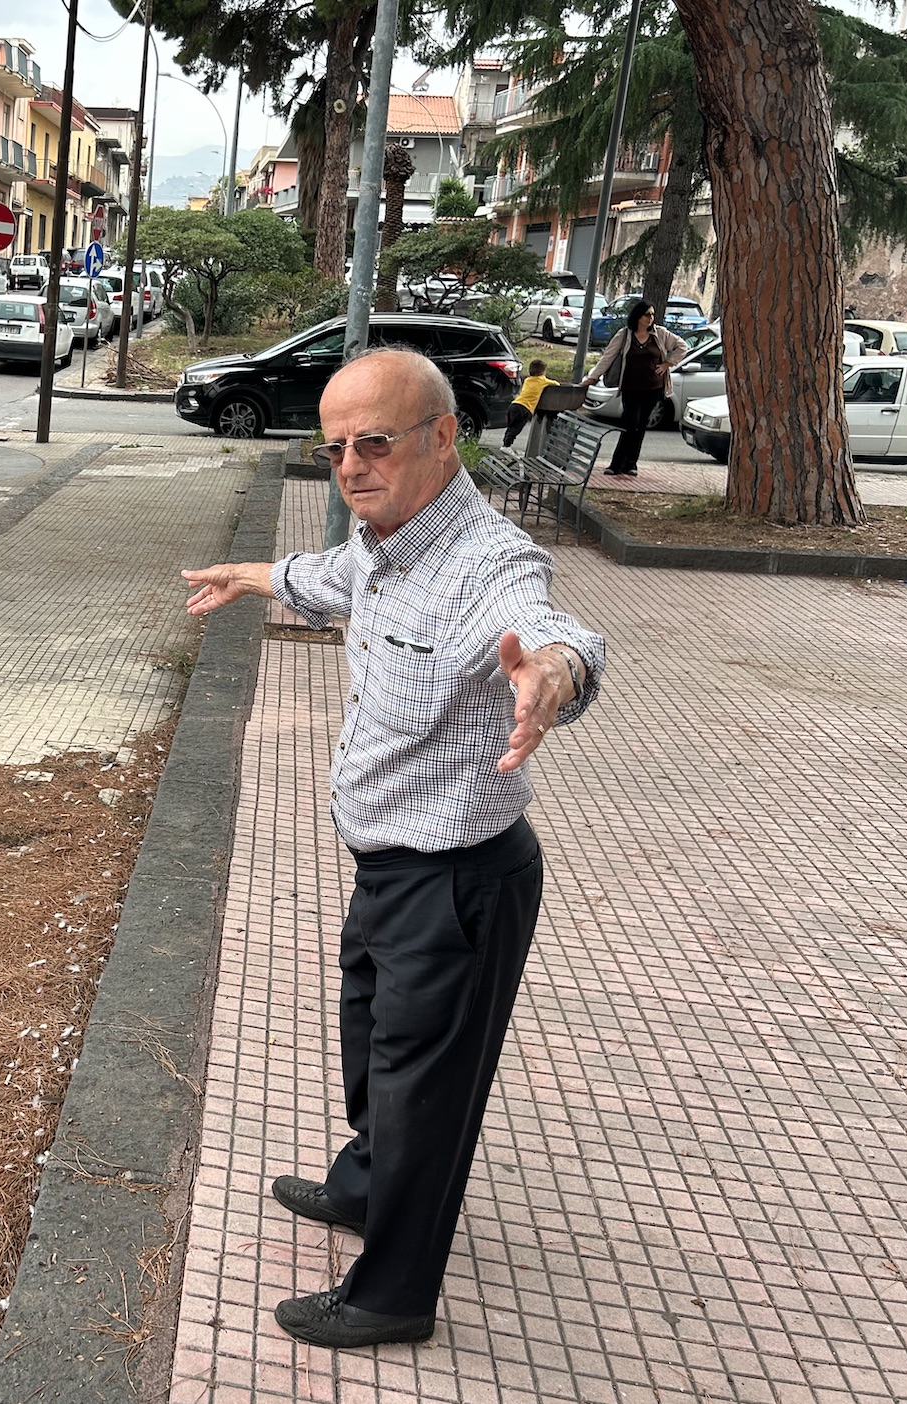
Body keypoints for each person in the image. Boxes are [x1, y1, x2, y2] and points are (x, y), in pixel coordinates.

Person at [180, 349, 605, 1351]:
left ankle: (392, 1295)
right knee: (374, 1049)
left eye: (375, 441)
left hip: (460, 884)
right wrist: (256, 574)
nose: (352, 465)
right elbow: (330, 580)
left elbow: (551, 626)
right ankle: (364, 1189)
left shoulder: (484, 561)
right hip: (391, 867)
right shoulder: (383, 540)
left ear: (443, 437)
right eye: (334, 448)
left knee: (423, 1093)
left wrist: (552, 674)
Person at [580, 299, 686, 476]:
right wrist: (593, 377)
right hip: (631, 388)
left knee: (640, 426)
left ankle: (631, 464)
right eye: (647, 315)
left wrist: (668, 363)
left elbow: (682, 346)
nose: (650, 318)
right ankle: (616, 464)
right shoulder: (625, 335)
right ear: (637, 316)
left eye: (652, 315)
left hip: (653, 388)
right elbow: (608, 357)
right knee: (631, 424)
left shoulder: (660, 334)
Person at [503, 358, 557, 448]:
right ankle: (506, 446)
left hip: (514, 405)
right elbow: (556, 384)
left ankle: (505, 445)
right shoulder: (542, 380)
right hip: (524, 408)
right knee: (516, 428)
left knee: (512, 427)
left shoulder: (527, 380)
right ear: (543, 372)